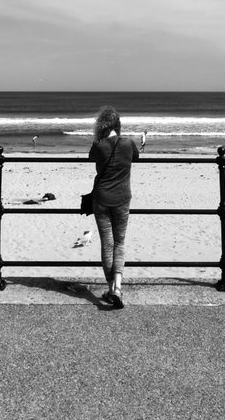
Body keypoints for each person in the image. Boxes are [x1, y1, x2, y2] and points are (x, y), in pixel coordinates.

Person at [88, 105, 139, 309]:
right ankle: (118, 287)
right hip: (122, 198)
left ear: (102, 126)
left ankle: (110, 288)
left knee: (107, 244)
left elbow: (91, 157)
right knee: (119, 243)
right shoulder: (128, 143)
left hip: (101, 199)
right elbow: (136, 157)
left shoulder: (98, 145)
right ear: (118, 125)